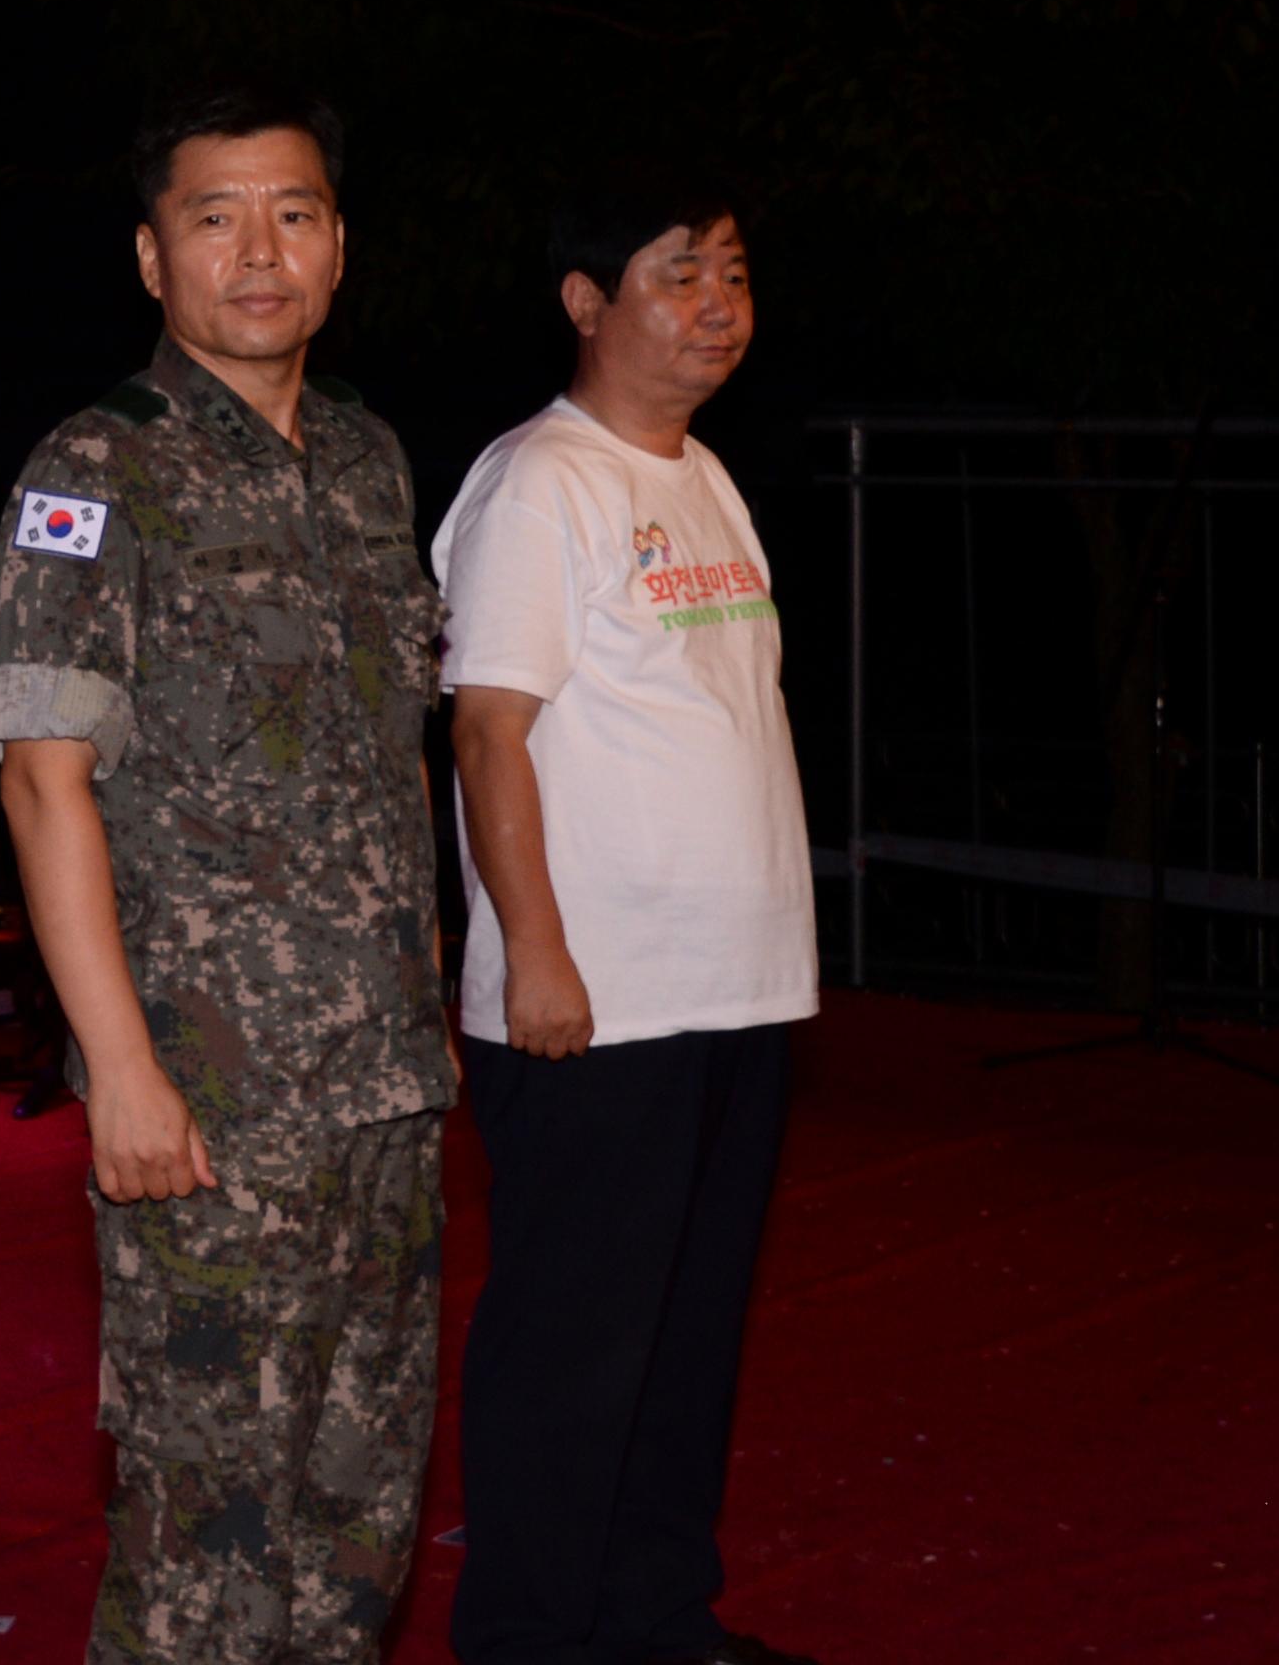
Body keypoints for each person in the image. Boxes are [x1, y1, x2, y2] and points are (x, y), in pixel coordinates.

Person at [0, 87, 456, 1663]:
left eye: (295, 214)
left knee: (356, 1524)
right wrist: (119, 1066)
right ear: (150, 254)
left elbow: (394, 766)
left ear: (337, 247)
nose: (261, 251)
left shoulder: (374, 463)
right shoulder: (97, 473)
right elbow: (45, 782)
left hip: (383, 1091)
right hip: (211, 1106)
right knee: (205, 1547)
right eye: (215, 216)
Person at [433, 178, 821, 1665]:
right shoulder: (544, 480)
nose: (718, 303)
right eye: (680, 273)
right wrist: (535, 950)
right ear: (589, 300)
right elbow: (488, 734)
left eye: (734, 272)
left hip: (732, 990)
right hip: (597, 1000)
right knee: (570, 1354)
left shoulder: (704, 476)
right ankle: (531, 1640)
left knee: (685, 1344)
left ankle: (658, 1617)